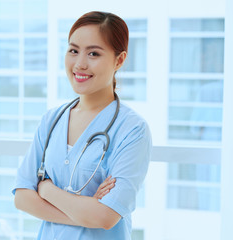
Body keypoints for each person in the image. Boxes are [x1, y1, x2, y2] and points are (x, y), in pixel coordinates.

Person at [12, 11, 152, 239]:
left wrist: (46, 190)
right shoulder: (52, 120)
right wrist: (85, 210)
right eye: (73, 51)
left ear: (119, 60)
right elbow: (22, 197)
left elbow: (105, 217)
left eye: (94, 53)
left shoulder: (132, 130)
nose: (80, 64)